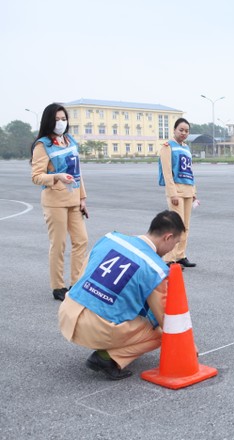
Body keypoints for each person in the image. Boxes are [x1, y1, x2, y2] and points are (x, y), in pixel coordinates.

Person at [58, 210, 186, 380]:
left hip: (67, 312)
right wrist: (187, 346)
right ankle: (108, 358)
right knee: (162, 333)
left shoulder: (110, 238)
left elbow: (84, 272)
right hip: (94, 328)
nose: (173, 249)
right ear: (168, 237)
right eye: (175, 243)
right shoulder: (155, 268)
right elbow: (165, 316)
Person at [30, 103, 89, 301]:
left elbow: (78, 172)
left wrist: (82, 198)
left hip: (73, 200)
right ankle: (58, 287)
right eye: (57, 119)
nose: (61, 122)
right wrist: (56, 176)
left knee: (81, 241)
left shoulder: (70, 140)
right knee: (59, 244)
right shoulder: (42, 145)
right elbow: (37, 176)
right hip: (54, 201)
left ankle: (76, 282)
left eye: (63, 119)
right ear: (49, 121)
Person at [158, 118, 197, 268]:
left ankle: (181, 255)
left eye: (186, 131)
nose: (184, 133)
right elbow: (167, 173)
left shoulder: (186, 148)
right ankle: (169, 259)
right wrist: (172, 193)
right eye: (181, 130)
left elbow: (190, 171)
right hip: (176, 191)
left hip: (187, 189)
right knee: (175, 226)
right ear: (174, 130)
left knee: (185, 226)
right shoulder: (168, 147)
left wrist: (194, 191)